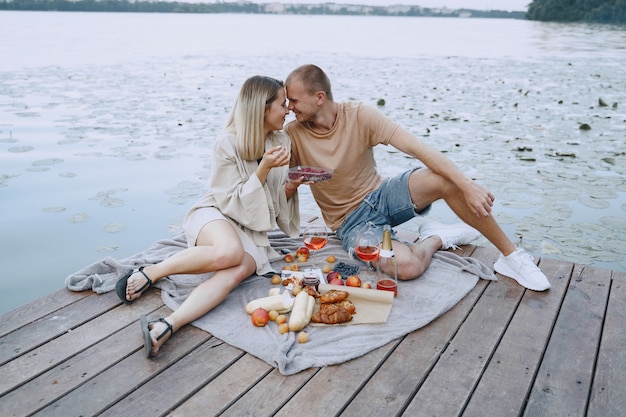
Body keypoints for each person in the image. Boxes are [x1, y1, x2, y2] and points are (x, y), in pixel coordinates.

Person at [284, 64, 550, 292]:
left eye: (294, 100)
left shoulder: (359, 115)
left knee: (444, 180)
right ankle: (435, 239)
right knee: (408, 267)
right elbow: (280, 193)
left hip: (382, 196)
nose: (289, 107)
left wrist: (467, 185)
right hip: (350, 223)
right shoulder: (292, 134)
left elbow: (419, 149)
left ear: (319, 97)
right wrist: (293, 183)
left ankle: (511, 257)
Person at [115, 75, 302, 358]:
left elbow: (272, 207)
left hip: (251, 228)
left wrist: (291, 185)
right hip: (216, 212)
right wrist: (262, 169)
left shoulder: (280, 139)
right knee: (229, 252)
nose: (288, 109)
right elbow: (230, 201)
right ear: (262, 109)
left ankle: (167, 325)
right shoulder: (227, 142)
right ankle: (150, 273)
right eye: (282, 103)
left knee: (237, 270)